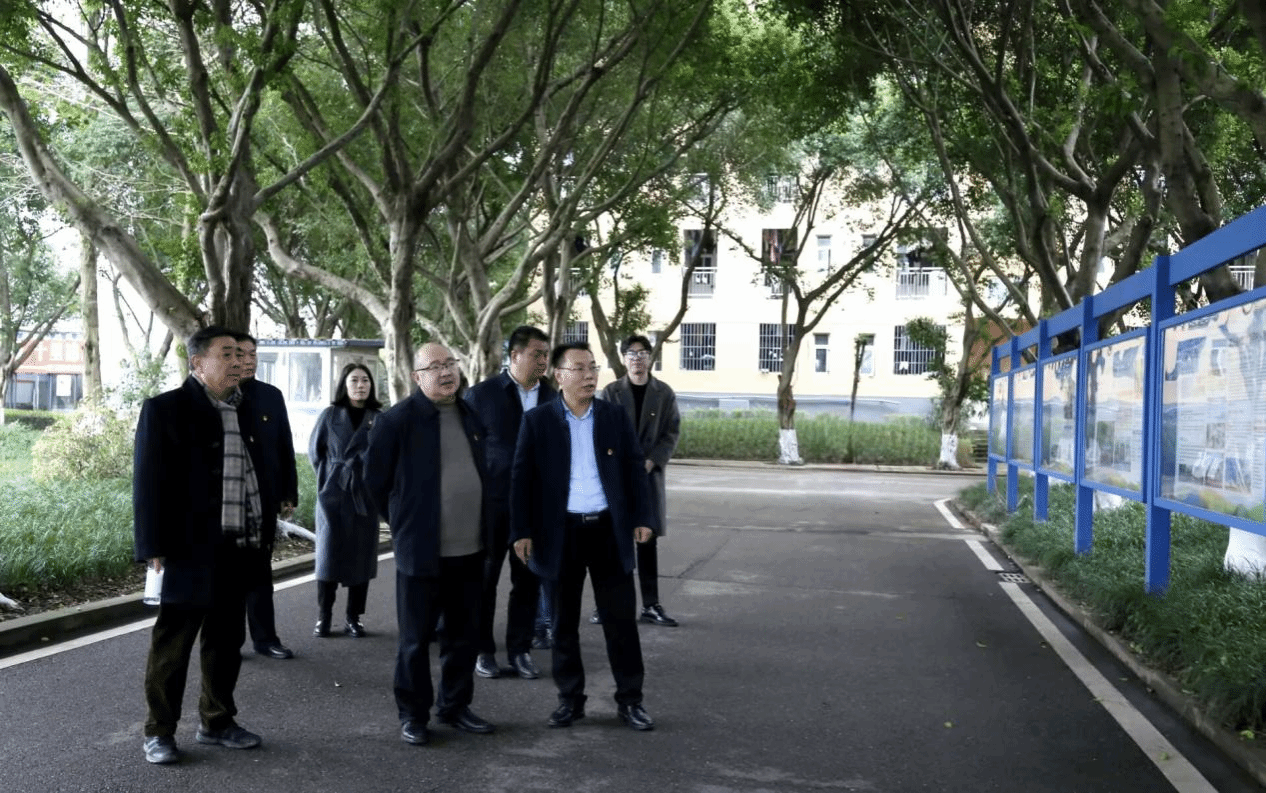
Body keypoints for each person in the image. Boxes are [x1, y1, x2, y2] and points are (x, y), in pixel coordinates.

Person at [134, 326, 291, 764]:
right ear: (197, 363)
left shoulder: (252, 407)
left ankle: (217, 722)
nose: (239, 362)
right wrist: (151, 544)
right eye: (227, 354)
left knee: (226, 641)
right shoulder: (165, 409)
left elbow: (270, 464)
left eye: (241, 354)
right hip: (189, 548)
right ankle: (159, 731)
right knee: (173, 646)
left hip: (242, 546)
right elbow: (148, 482)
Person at [510, 342, 657, 731]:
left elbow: (634, 469)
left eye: (593, 367)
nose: (590, 375)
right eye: (579, 368)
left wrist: (643, 517)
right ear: (558, 375)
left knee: (620, 623)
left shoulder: (613, 416)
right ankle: (570, 701)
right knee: (563, 625)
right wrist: (521, 531)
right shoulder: (538, 421)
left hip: (608, 530)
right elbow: (521, 480)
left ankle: (631, 701)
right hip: (560, 534)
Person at [365, 342, 496, 746]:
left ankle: (455, 706)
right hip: (421, 553)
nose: (446, 371)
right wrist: (404, 522)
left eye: (450, 363)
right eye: (435, 366)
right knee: (415, 641)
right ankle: (413, 715)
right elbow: (373, 483)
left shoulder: (470, 414)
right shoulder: (397, 421)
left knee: (463, 638)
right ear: (417, 377)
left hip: (470, 551)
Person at [463, 325, 556, 679]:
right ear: (514, 355)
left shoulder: (554, 398)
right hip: (492, 507)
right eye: (536, 354)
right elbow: (466, 452)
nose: (543, 361)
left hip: (534, 510)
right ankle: (483, 651)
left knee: (528, 583)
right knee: (484, 582)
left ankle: (520, 651)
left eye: (546, 355)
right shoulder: (482, 396)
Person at [594, 334, 681, 627]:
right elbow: (601, 431)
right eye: (631, 353)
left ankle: (650, 605)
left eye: (643, 353)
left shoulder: (664, 393)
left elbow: (671, 433)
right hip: (618, 478)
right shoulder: (611, 392)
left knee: (646, 542)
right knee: (614, 544)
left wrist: (652, 460)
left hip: (648, 478)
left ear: (650, 357)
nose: (637, 358)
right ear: (624, 358)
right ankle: (608, 605)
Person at [235, 333, 299, 660]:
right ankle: (228, 643)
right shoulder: (217, 397)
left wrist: (288, 492)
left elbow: (284, 445)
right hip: (228, 503)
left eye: (253, 354)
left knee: (260, 573)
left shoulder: (271, 396)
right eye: (240, 354)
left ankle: (266, 639)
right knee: (230, 577)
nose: (248, 361)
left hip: (265, 499)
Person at [309, 362, 383, 639]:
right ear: (344, 384)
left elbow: (386, 457)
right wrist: (329, 479)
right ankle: (324, 616)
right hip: (333, 494)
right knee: (328, 557)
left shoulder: (379, 418)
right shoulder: (330, 415)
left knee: (360, 558)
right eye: (354, 380)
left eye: (365, 380)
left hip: (364, 497)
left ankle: (354, 617)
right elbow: (315, 453)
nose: (360, 385)